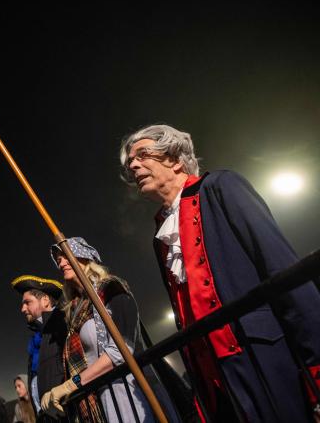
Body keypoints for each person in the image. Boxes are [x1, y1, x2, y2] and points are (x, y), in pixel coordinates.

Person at [120, 124, 320, 422]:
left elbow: (281, 268)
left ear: (175, 159)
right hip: (211, 375)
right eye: (130, 163)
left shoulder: (221, 187)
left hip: (261, 355)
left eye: (143, 154)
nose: (133, 165)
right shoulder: (159, 234)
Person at [41, 237, 180, 422]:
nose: (61, 262)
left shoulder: (112, 288)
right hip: (99, 396)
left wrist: (72, 384)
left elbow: (122, 350)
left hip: (128, 391)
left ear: (83, 256)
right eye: (58, 259)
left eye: (66, 255)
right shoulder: (75, 309)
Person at [10, 274, 68, 422]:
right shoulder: (37, 336)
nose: (23, 309)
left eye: (27, 302)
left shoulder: (62, 322)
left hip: (64, 413)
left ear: (45, 300)